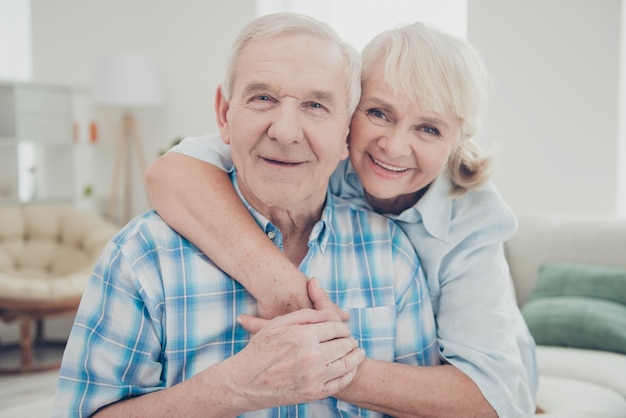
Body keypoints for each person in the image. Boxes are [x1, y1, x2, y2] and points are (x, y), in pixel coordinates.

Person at [52, 13, 441, 418]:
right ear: (224, 114)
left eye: (316, 104)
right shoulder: (143, 255)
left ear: (346, 133)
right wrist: (235, 389)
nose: (285, 131)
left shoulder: (391, 253)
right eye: (262, 98)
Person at [146, 20, 540, 417]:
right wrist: (278, 282)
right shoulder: (310, 155)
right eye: (379, 114)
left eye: (429, 128)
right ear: (348, 113)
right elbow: (170, 174)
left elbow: (487, 398)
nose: (394, 145)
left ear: (459, 140)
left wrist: (320, 363)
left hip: (495, 382)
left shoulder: (475, 218)